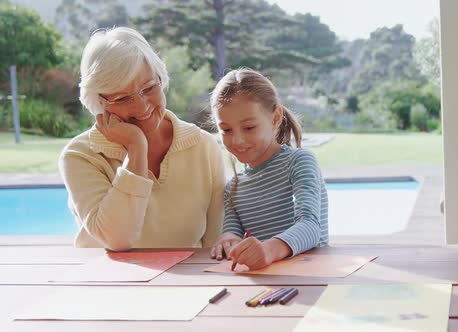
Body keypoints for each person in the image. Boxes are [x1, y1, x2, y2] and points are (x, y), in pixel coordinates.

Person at [59, 27, 225, 251]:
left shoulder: (203, 146)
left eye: (148, 88)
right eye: (123, 97)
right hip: (109, 284)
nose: (142, 106)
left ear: (161, 79)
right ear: (99, 101)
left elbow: (215, 244)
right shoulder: (80, 156)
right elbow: (116, 239)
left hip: (188, 283)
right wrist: (137, 148)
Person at [208, 68, 328, 270]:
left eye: (249, 127)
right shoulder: (233, 189)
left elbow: (310, 226)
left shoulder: (299, 161)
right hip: (267, 282)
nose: (237, 140)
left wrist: (269, 250)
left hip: (311, 277)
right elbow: (232, 234)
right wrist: (227, 240)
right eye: (226, 130)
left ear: (275, 118)